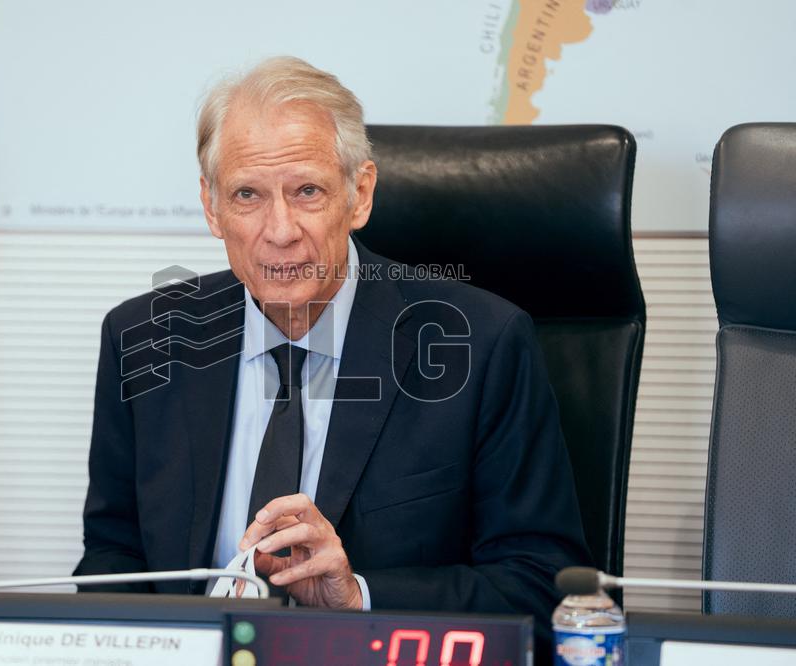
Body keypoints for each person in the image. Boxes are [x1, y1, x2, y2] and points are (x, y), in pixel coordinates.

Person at [74, 56, 591, 655]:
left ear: (359, 194)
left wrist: (360, 598)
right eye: (247, 195)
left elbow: (541, 587)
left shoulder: (480, 344)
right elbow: (113, 559)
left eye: (308, 191)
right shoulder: (144, 341)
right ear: (212, 207)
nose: (281, 229)